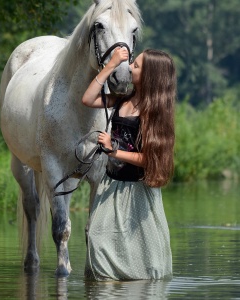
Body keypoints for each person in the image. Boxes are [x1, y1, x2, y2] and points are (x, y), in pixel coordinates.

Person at [82, 47, 176, 281]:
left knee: (144, 254)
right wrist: (110, 66)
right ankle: (105, 289)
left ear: (149, 76)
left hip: (138, 190)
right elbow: (87, 98)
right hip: (111, 185)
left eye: (137, 65)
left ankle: (137, 290)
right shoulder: (122, 99)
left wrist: (114, 150)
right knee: (97, 239)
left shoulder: (154, 112)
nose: (131, 65)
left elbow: (149, 159)